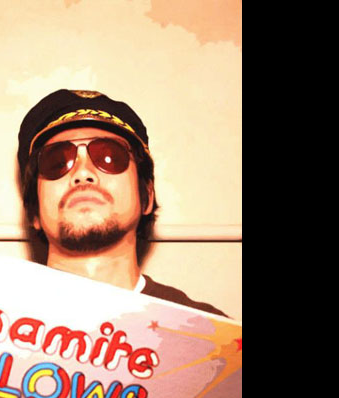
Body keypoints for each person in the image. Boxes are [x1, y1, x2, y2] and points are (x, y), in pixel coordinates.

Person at [17, 89, 227, 318]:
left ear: (146, 195)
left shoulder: (213, 335)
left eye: (110, 158)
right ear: (33, 210)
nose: (83, 173)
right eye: (57, 162)